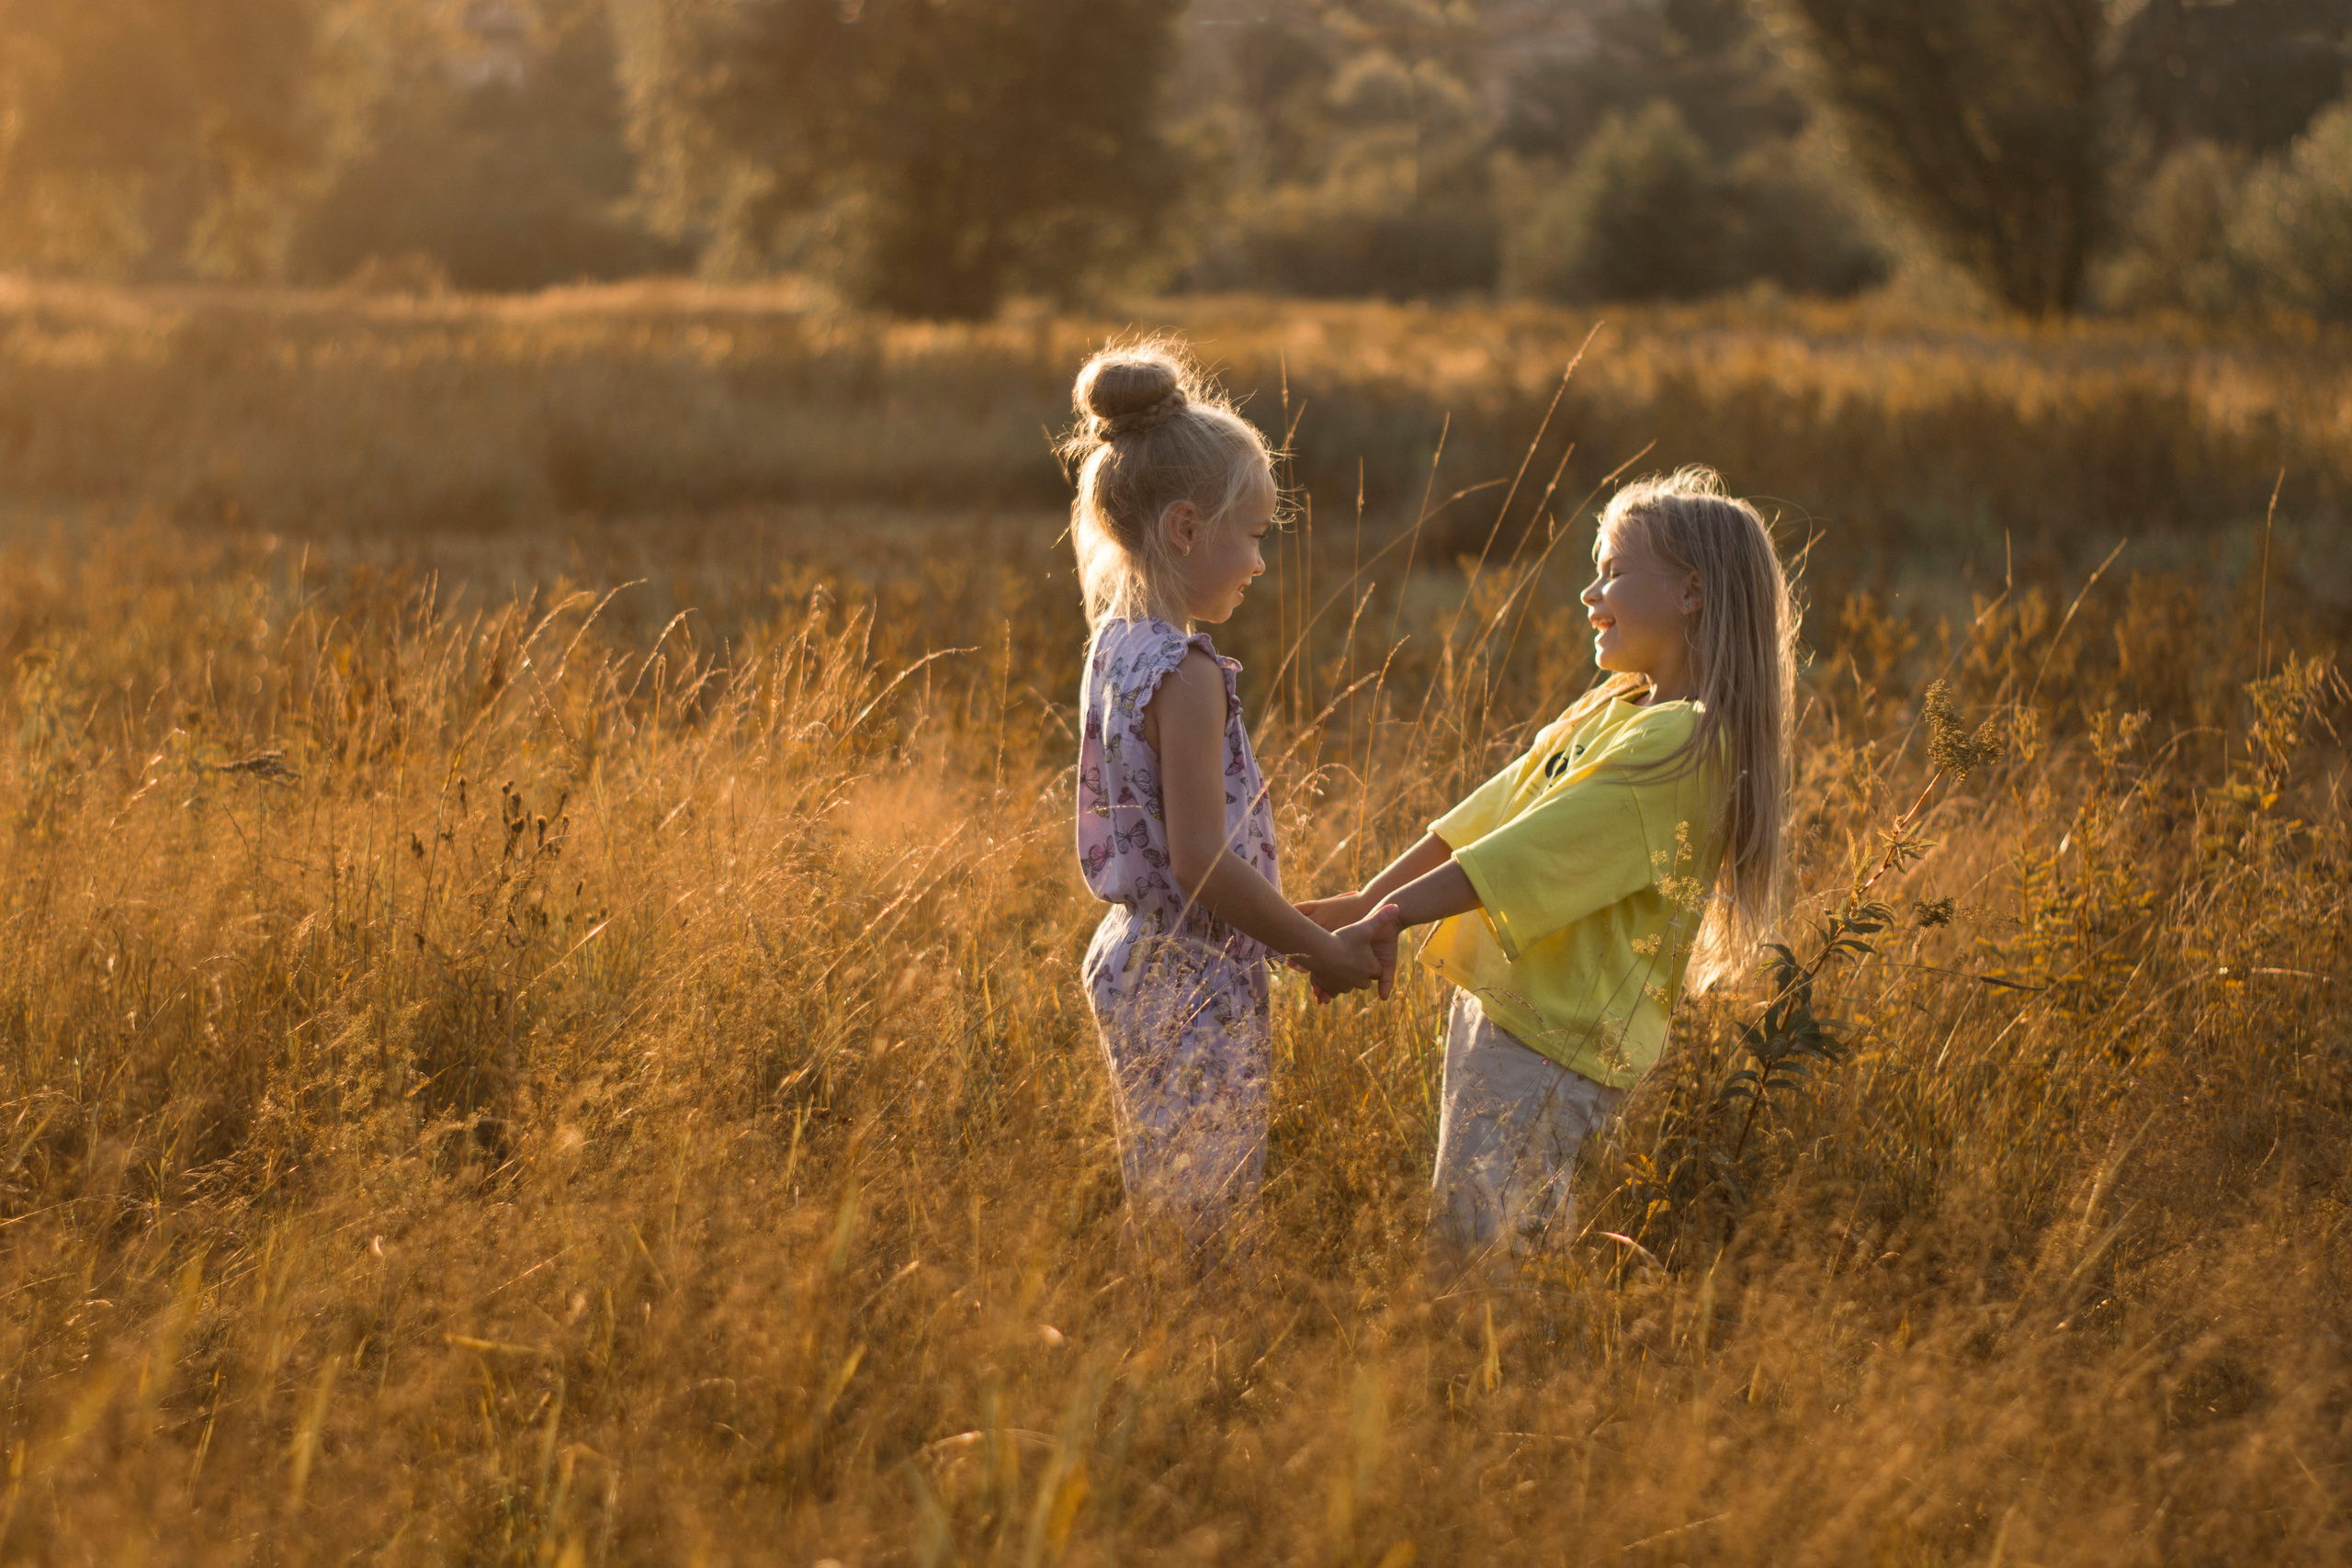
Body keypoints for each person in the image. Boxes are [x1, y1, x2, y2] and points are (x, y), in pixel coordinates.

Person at [1303, 468, 1796, 1256]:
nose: (1588, 592)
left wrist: (1382, 920)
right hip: (1511, 1015)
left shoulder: (1685, 743)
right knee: (1484, 1239)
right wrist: (1361, 902)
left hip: (1555, 1044)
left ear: (1691, 593)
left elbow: (1523, 857)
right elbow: (1488, 817)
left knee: (1481, 1258)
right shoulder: (1615, 706)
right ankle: (1499, 1369)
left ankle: (1499, 1377)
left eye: (1612, 572)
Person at [1065, 341, 1400, 1247]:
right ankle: (1189, 1367)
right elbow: (1201, 863)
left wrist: (1320, 928)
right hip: (1189, 977)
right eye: (1250, 534)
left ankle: (1167, 1351)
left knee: (1167, 1193)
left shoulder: (1117, 645)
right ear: (1184, 528)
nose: (1258, 560)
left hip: (1141, 957)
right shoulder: (1187, 670)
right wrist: (1318, 954)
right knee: (1203, 1218)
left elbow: (1183, 872)